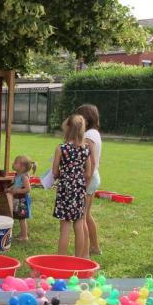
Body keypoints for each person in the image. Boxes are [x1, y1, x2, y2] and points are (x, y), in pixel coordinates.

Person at [52, 115, 91, 257]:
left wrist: (62, 176)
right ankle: (78, 260)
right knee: (79, 224)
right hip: (79, 188)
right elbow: (88, 172)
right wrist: (79, 181)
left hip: (65, 188)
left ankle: (61, 260)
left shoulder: (61, 148)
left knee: (65, 227)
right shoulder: (86, 149)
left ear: (68, 129)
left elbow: (55, 171)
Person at [74, 104, 103, 258]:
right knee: (87, 215)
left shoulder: (89, 136)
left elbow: (90, 161)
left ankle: (84, 255)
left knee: (82, 218)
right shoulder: (95, 133)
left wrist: (85, 183)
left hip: (89, 178)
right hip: (93, 177)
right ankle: (94, 247)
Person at [5, 155, 36, 241]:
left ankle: (24, 236)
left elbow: (28, 189)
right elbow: (16, 185)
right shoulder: (18, 175)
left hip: (22, 200)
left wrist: (17, 191)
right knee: (19, 218)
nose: (13, 163)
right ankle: (22, 233)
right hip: (17, 199)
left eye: (15, 163)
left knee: (22, 218)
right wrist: (10, 189)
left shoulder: (24, 177)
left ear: (22, 167)